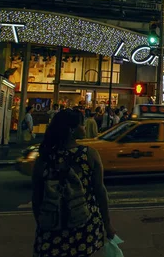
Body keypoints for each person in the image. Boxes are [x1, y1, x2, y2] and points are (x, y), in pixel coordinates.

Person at [31, 109, 115, 257]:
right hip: (84, 223)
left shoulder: (44, 158)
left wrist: (42, 221)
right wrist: (107, 224)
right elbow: (100, 191)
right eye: (81, 125)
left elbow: (36, 196)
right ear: (72, 130)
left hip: (51, 227)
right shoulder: (89, 154)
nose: (84, 128)